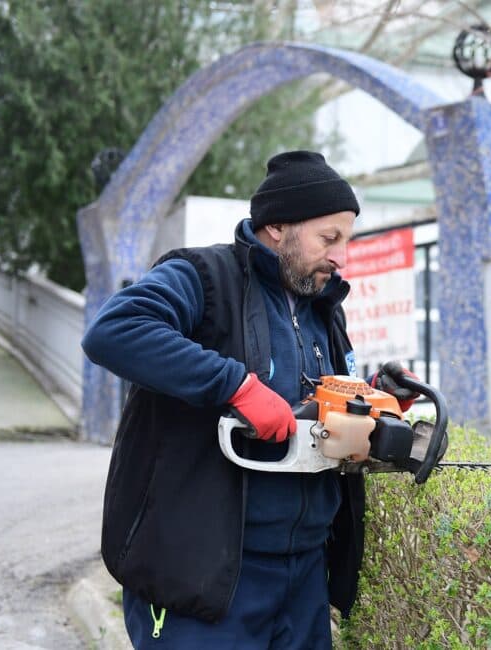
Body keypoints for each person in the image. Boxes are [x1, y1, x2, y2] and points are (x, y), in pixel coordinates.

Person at [82, 150, 411, 648]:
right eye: (330, 238)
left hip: (302, 579)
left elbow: (316, 409)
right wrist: (235, 386)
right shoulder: (204, 276)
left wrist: (378, 400)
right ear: (278, 226)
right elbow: (114, 330)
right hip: (204, 581)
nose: (341, 254)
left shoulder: (324, 308)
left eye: (346, 239)